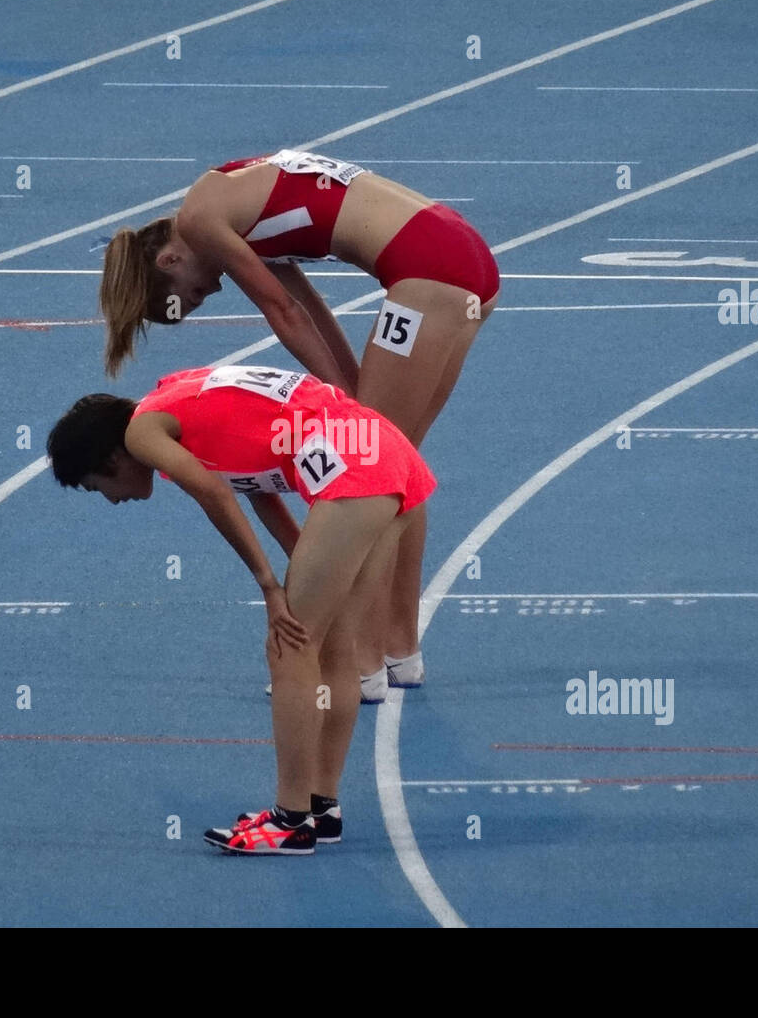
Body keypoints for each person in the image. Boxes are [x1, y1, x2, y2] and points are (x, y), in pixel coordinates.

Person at [96, 149, 499, 698]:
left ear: (169, 260)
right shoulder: (231, 203)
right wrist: (349, 391)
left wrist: (345, 406)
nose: (210, 294)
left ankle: (360, 661)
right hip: (465, 257)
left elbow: (281, 314)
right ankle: (400, 650)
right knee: (396, 460)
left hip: (428, 271)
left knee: (367, 474)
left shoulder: (199, 219)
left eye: (192, 296)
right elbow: (307, 308)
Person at [46, 363, 435, 854]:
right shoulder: (175, 397)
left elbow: (214, 492)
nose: (109, 500)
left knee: (289, 645)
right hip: (386, 451)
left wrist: (271, 587)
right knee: (335, 642)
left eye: (95, 486)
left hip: (351, 467)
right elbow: (257, 485)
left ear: (110, 458)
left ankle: (289, 821)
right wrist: (306, 560)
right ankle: (321, 808)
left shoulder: (142, 433)